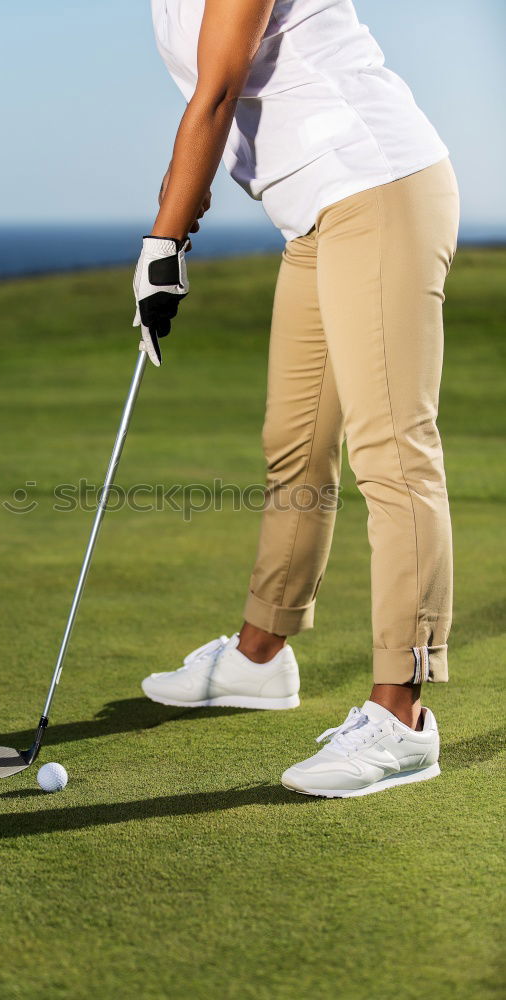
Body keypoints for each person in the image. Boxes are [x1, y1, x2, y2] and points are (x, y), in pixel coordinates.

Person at [132, 0, 460, 798]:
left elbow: (216, 92)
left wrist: (165, 239)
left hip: (375, 185)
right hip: (312, 215)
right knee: (296, 440)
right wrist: (174, 215)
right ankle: (259, 656)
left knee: (392, 453)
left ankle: (402, 718)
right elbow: (211, 105)